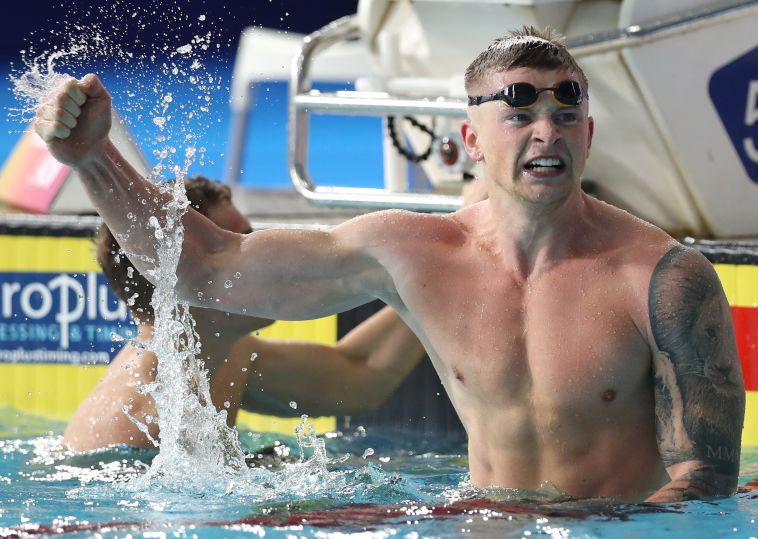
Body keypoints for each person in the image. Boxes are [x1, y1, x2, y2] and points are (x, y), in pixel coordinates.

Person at [35, 26, 745, 502]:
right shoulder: (416, 254)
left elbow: (705, 483)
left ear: (588, 133)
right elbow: (206, 267)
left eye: (566, 112)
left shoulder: (665, 279)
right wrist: (92, 160)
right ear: (471, 137)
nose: (546, 130)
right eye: (520, 109)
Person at [64, 176, 426, 451]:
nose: (262, 256)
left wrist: (442, 269)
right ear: (184, 276)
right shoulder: (142, 425)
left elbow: (360, 374)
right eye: (237, 245)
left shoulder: (224, 353)